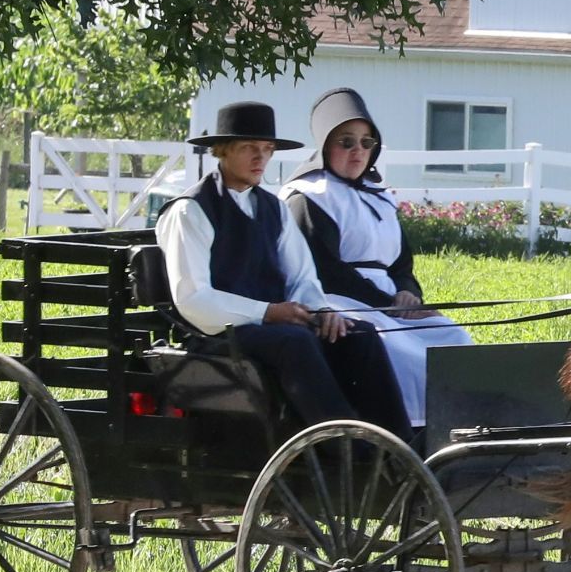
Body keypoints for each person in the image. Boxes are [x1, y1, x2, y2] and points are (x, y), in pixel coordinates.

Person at [155, 100, 411, 440]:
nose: (260, 158)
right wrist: (269, 312)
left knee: (358, 334)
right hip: (215, 334)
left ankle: (397, 443)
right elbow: (194, 299)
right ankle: (343, 443)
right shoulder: (191, 211)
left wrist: (321, 311)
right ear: (222, 151)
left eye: (267, 149)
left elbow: (302, 276)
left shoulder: (272, 208)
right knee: (293, 342)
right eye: (249, 148)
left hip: (272, 326)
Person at [281, 88, 472, 428]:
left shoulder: (380, 198)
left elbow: (400, 263)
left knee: (452, 337)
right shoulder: (308, 197)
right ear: (326, 144)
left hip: (389, 304)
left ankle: (461, 425)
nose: (358, 152)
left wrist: (408, 292)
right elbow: (326, 271)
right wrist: (387, 303)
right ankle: (414, 432)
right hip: (338, 303)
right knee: (400, 352)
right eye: (347, 142)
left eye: (366, 143)